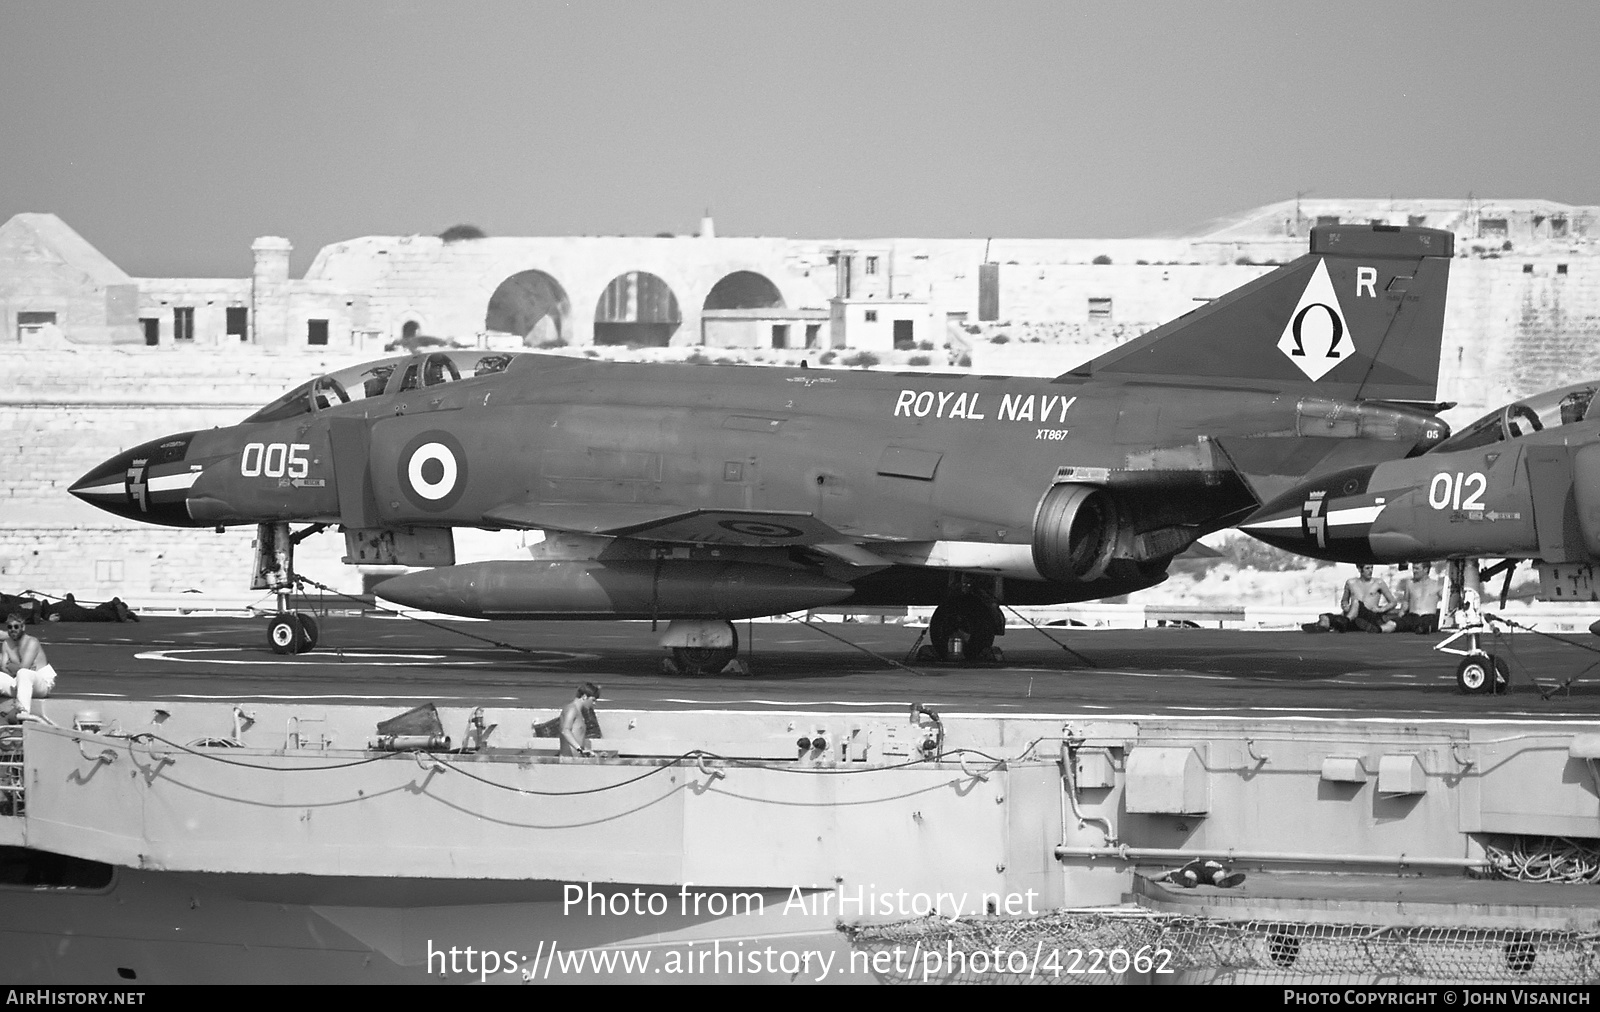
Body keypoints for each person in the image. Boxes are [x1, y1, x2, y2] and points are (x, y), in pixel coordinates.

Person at [1309, 564, 1397, 633]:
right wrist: (1345, 606)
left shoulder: (1378, 583)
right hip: (1354, 616)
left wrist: (1382, 610)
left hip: (1369, 614)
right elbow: (1344, 601)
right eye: (1367, 568)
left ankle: (1344, 621)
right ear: (1359, 569)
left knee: (1356, 602)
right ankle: (1321, 626)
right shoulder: (1351, 583)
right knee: (1325, 617)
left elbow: (1393, 602)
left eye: (1371, 568)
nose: (1370, 571)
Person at [1, 612, 56, 719]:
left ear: (23, 627)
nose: (13, 629)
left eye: (16, 626)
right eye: (10, 627)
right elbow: (3, 667)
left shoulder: (32, 642)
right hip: (18, 683)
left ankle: (22, 713)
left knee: (24, 673)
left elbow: (23, 668)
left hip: (40, 685)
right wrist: (14, 668)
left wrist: (12, 666)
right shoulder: (6, 643)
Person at [1392, 562, 1444, 634]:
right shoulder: (1410, 584)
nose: (1414, 571)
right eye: (1413, 568)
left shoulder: (1437, 585)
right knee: (1392, 624)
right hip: (1412, 616)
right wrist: (1400, 616)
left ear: (1425, 570)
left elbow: (1447, 601)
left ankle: (1422, 628)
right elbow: (1406, 602)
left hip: (1429, 617)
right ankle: (1377, 629)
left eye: (1417, 569)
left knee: (1427, 624)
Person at [558, 683, 602, 758]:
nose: (594, 704)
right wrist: (580, 750)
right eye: (593, 700)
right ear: (584, 697)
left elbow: (577, 739)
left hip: (576, 760)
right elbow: (565, 730)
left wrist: (593, 754)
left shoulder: (579, 713)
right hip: (568, 761)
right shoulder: (572, 709)